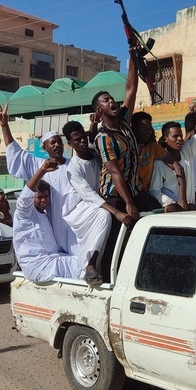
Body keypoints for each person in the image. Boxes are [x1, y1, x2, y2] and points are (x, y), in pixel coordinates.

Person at [0, 103, 76, 254]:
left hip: (72, 225)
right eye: (53, 142)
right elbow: (16, 153)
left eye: (59, 141)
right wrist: (4, 126)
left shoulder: (73, 165)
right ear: (44, 147)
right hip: (48, 226)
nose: (57, 144)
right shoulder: (38, 165)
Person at [93, 54, 157, 218]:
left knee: (157, 212)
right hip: (114, 195)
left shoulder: (124, 121)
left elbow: (131, 89)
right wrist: (129, 203)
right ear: (100, 110)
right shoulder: (103, 138)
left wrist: (133, 56)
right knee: (120, 235)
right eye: (106, 100)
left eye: (112, 98)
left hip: (133, 191)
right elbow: (115, 172)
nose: (111, 101)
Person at [61, 120, 124, 284]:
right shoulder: (73, 168)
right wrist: (116, 212)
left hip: (98, 202)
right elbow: (88, 195)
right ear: (70, 144)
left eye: (83, 137)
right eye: (77, 140)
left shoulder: (96, 155)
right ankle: (89, 264)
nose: (82, 142)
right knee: (104, 215)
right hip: (79, 208)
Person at [13, 159, 81, 282]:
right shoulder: (25, 214)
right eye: (39, 197)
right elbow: (25, 197)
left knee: (81, 260)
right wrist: (42, 170)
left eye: (46, 197)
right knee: (81, 267)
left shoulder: (44, 215)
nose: (44, 200)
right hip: (38, 265)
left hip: (51, 260)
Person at [149, 108, 196, 210]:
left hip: (190, 210)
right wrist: (168, 203)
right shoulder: (159, 163)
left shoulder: (187, 151)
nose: (179, 139)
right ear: (165, 139)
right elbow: (154, 190)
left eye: (181, 136)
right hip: (174, 212)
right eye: (175, 136)